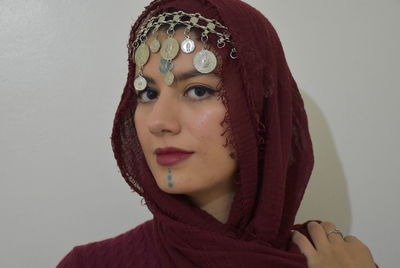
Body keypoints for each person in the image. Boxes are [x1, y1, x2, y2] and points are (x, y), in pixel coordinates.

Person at [57, 0, 377, 267]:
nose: (159, 122)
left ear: (258, 111)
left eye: (197, 90)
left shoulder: (338, 260)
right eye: (148, 94)